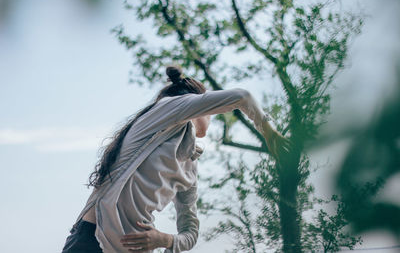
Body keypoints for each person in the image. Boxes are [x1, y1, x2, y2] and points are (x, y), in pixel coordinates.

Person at [61, 65, 290, 253]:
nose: (213, 115)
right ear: (197, 103)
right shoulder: (166, 110)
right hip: (93, 240)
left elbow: (190, 232)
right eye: (210, 108)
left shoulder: (189, 163)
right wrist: (269, 132)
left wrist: (165, 239)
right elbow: (243, 96)